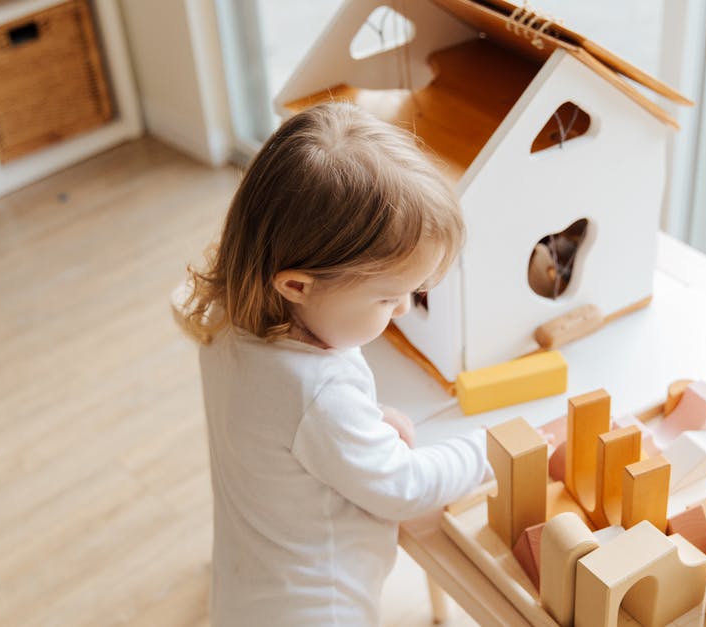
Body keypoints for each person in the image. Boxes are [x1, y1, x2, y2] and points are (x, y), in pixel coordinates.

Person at [178, 102, 490, 626]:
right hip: (320, 610)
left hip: (246, 592)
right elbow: (405, 488)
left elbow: (279, 429)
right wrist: (487, 451)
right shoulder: (319, 393)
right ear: (297, 285)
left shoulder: (230, 321)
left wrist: (362, 422)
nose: (404, 310)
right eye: (388, 299)